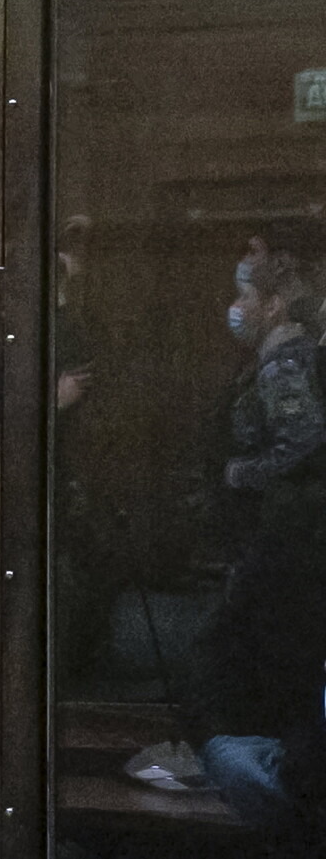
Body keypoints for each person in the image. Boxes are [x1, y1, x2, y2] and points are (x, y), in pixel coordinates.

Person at [189, 239, 326, 847]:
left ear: (274, 304)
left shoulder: (285, 363)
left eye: (245, 294)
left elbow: (303, 442)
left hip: (284, 537)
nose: (236, 306)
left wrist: (238, 474)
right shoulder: (272, 359)